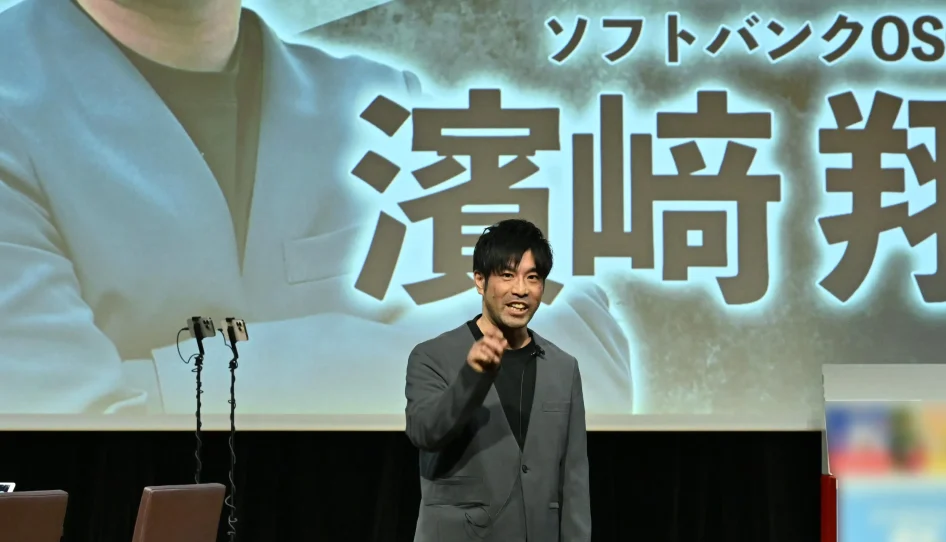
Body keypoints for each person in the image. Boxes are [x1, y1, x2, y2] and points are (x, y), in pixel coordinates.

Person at [0, 0, 634, 417]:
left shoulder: (381, 102)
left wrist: (169, 384)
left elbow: (580, 364)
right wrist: (403, 360)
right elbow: (69, 424)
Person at [404, 219, 590, 542]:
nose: (521, 290)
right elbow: (426, 430)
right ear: (480, 281)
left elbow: (573, 469)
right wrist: (473, 376)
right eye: (507, 275)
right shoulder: (433, 355)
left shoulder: (562, 367)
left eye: (533, 277)